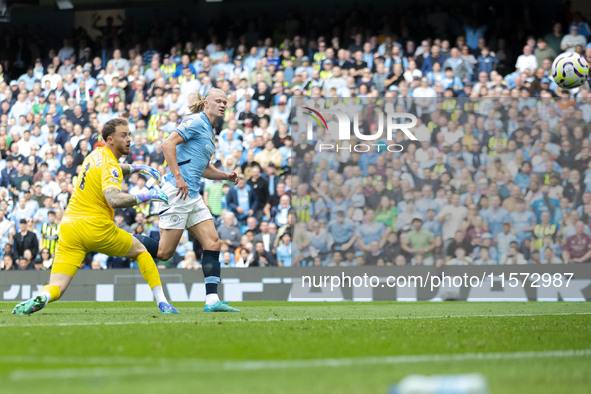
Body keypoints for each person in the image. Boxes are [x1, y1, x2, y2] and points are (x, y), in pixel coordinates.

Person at [13, 118, 178, 315]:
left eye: (129, 135)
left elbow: (117, 168)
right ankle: (162, 302)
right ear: (110, 139)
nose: (129, 139)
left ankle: (43, 296)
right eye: (123, 135)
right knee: (141, 250)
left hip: (69, 228)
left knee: (57, 285)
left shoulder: (95, 155)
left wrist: (137, 167)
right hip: (95, 228)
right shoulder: (109, 164)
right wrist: (146, 195)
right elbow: (114, 199)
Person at [146, 88, 240, 312]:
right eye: (218, 101)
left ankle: (211, 301)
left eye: (225, 102)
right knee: (164, 253)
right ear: (206, 103)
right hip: (177, 191)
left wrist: (226, 175)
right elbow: (167, 144)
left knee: (213, 243)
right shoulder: (196, 121)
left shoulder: (210, 131)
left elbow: (204, 168)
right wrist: (178, 177)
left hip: (192, 194)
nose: (223, 105)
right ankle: (119, 239)